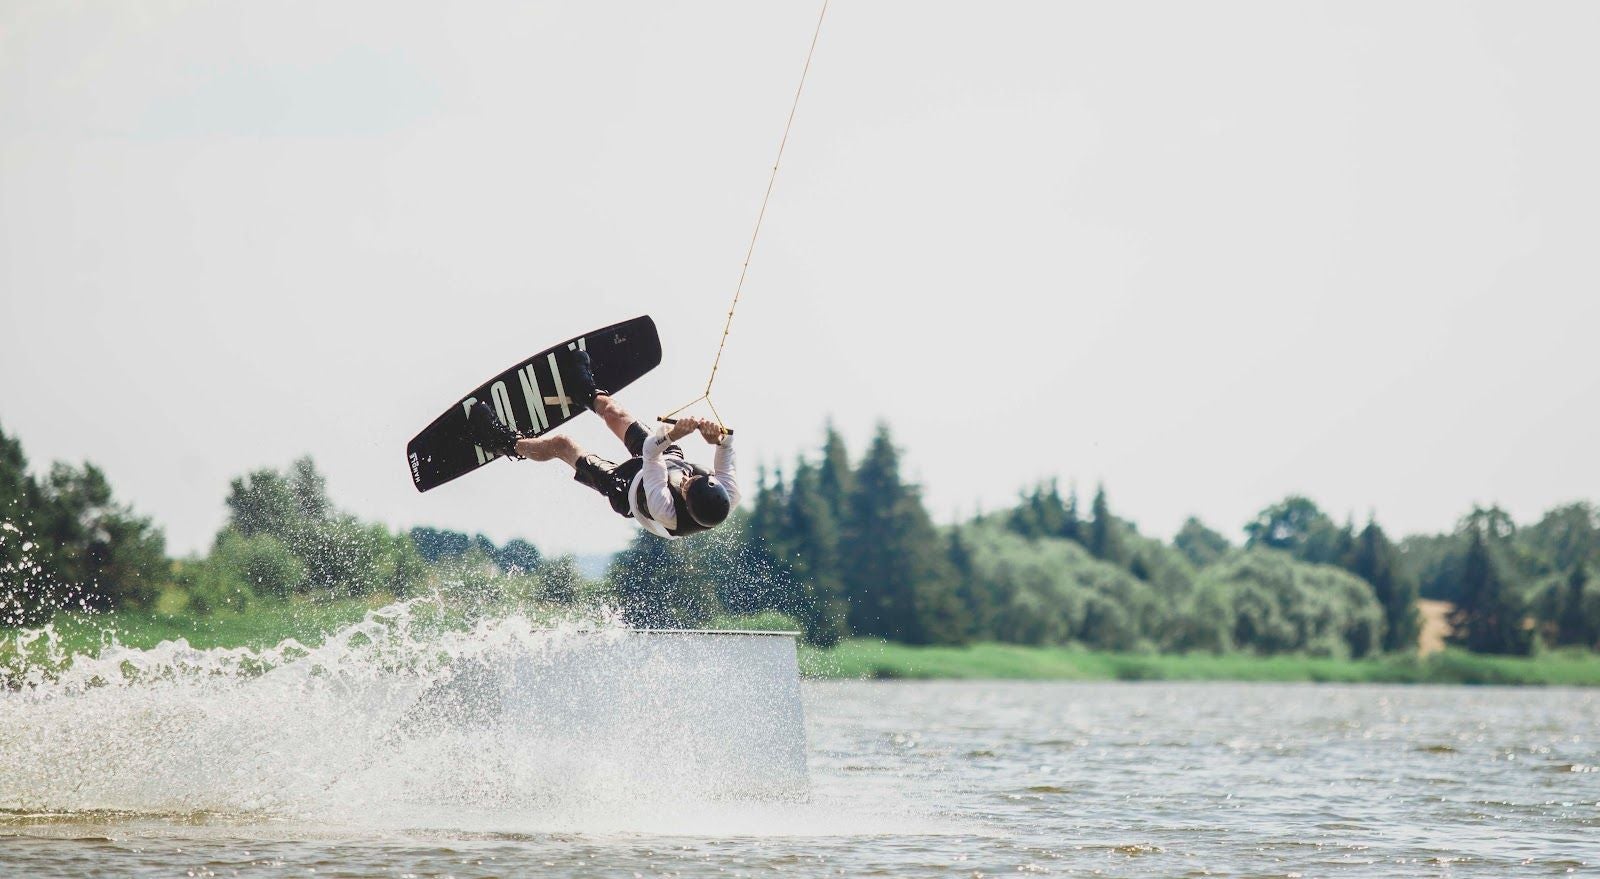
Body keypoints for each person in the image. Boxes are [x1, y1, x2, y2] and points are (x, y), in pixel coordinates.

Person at [464, 352, 739, 539]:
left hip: (628, 488)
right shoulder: (729, 493)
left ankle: (504, 443)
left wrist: (674, 434)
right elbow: (727, 443)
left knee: (563, 445)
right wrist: (716, 436)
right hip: (669, 461)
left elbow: (650, 452)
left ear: (687, 504)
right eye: (695, 479)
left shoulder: (665, 508)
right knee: (615, 413)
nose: (689, 480)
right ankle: (584, 391)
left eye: (687, 487)